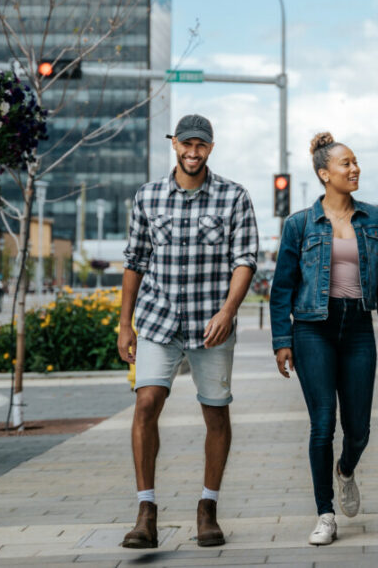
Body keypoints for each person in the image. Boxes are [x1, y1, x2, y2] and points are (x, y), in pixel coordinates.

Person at [118, 114, 258, 549]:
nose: (193, 153)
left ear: (210, 149)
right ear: (173, 143)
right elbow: (135, 260)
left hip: (211, 326)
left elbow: (245, 259)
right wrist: (125, 324)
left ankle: (207, 508)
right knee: (146, 403)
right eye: (186, 144)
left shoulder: (234, 197)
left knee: (215, 413)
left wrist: (228, 311)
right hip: (159, 320)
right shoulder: (149, 196)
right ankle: (146, 511)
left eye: (201, 146)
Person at [269, 132, 378, 546]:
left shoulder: (376, 220)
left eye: (356, 161)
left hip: (359, 327)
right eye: (346, 164)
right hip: (313, 329)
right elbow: (282, 288)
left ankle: (346, 470)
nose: (354, 168)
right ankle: (325, 513)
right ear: (325, 174)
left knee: (358, 429)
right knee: (322, 423)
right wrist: (281, 339)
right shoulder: (300, 224)